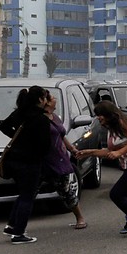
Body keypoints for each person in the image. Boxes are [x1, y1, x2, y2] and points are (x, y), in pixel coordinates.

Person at [77, 101, 127, 234]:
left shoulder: (124, 122)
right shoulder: (112, 129)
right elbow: (110, 151)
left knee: (116, 194)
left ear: (109, 114)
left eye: (100, 115)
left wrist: (119, 153)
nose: (98, 118)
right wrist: (89, 152)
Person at [0, 86, 50, 245]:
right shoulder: (41, 119)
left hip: (14, 160)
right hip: (30, 163)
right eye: (45, 98)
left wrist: (18, 138)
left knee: (23, 194)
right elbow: (45, 145)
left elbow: (4, 126)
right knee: (28, 196)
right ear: (40, 100)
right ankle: (19, 234)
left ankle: (12, 226)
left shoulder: (19, 113)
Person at [43, 90, 87, 229]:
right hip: (43, 160)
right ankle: (17, 223)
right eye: (52, 98)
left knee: (66, 190)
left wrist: (72, 149)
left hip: (60, 160)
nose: (55, 99)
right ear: (46, 102)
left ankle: (80, 218)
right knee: (30, 192)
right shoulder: (38, 119)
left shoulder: (54, 117)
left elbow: (61, 136)